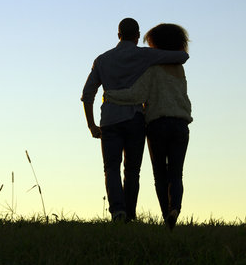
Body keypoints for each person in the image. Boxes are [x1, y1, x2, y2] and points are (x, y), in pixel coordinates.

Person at [81, 18, 189, 222]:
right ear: (138, 35)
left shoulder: (102, 60)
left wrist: (91, 125)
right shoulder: (145, 56)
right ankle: (131, 213)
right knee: (132, 170)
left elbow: (87, 94)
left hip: (110, 119)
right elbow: (182, 56)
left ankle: (118, 212)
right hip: (135, 119)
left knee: (111, 168)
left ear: (118, 34)